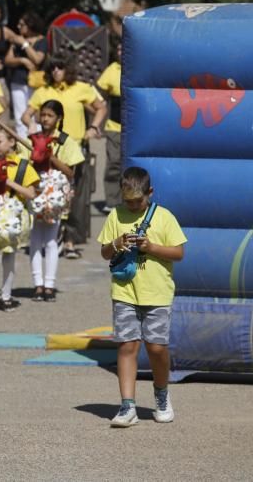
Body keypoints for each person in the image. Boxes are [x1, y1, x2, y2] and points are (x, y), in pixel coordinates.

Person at [98, 167, 186, 427]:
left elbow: (179, 253)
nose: (133, 206)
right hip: (125, 291)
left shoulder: (164, 217)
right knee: (127, 345)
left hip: (157, 293)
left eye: (138, 201)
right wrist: (117, 243)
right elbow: (104, 253)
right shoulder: (116, 215)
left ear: (150, 193)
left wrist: (152, 247)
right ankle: (128, 406)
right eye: (128, 202)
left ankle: (161, 394)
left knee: (157, 348)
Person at [22, 56, 107, 258]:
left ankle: (70, 241)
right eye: (52, 68)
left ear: (67, 69)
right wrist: (32, 127)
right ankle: (50, 239)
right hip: (47, 149)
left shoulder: (82, 87)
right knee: (48, 194)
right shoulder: (43, 91)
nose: (56, 71)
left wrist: (93, 127)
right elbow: (26, 115)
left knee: (75, 196)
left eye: (60, 67)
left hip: (75, 147)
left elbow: (101, 107)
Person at [26, 100, 81, 302]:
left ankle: (49, 284)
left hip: (55, 195)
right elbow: (24, 165)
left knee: (51, 239)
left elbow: (71, 172)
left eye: (50, 115)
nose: (45, 119)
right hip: (36, 191)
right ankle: (37, 284)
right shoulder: (31, 138)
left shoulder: (66, 141)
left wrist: (50, 156)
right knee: (34, 238)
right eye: (43, 115)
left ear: (59, 118)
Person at [0, 125, 39, 313]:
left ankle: (6, 295)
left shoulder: (23, 165)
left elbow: (31, 193)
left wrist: (7, 181)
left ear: (12, 142)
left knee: (9, 255)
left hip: (12, 215)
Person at [4, 11, 48, 137]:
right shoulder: (17, 40)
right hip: (18, 81)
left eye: (21, 24)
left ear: (30, 25)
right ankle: (22, 142)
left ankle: (38, 141)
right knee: (19, 115)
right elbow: (7, 60)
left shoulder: (41, 41)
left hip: (35, 82)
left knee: (36, 113)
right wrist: (22, 60)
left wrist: (24, 44)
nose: (18, 26)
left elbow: (37, 59)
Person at [96, 42, 123, 214]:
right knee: (114, 162)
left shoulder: (139, 65)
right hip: (114, 125)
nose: (120, 51)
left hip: (136, 127)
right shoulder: (112, 69)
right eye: (118, 48)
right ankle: (112, 201)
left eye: (123, 47)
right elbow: (98, 95)